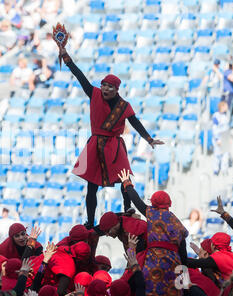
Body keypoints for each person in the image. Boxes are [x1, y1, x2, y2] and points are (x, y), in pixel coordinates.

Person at [57, 45, 164, 229]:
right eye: (104, 85)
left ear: (116, 89)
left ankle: (128, 208)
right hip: (95, 143)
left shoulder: (124, 105)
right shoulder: (94, 94)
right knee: (91, 186)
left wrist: (149, 139)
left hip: (114, 145)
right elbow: (80, 76)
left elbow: (135, 122)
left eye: (109, 86)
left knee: (125, 178)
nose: (105, 88)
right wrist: (66, 57)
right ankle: (90, 221)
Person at [118, 169, 189, 296]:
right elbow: (183, 254)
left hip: (154, 261)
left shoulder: (152, 213)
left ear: (154, 203)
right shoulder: (177, 223)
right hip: (174, 262)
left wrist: (126, 183)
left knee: (151, 292)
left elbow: (137, 201)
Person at [212, 101, 231, 175]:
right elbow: (215, 129)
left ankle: (224, 170)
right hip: (219, 138)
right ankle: (216, 169)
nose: (226, 108)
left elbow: (227, 128)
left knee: (225, 155)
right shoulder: (216, 116)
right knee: (217, 155)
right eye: (225, 106)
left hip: (225, 137)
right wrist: (217, 139)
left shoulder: (226, 116)